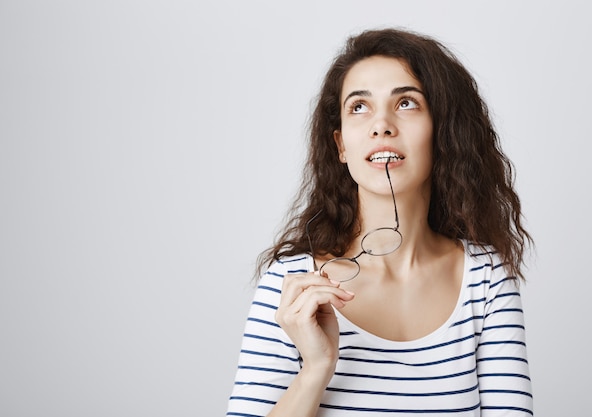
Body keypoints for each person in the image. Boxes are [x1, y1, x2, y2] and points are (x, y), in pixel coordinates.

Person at [226, 27, 533, 416]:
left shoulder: (487, 278)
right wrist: (315, 370)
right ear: (341, 146)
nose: (381, 125)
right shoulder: (291, 289)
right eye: (359, 107)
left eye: (406, 103)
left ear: (443, 133)